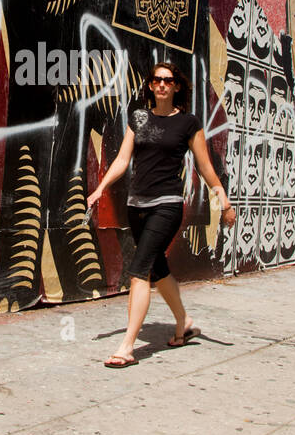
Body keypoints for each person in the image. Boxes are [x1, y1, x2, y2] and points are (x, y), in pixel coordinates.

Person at [88, 61, 235, 368]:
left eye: (168, 80)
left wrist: (223, 197)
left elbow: (206, 166)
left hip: (167, 205)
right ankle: (183, 321)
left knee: (139, 270)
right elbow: (122, 159)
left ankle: (127, 347)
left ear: (176, 86)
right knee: (157, 267)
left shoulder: (188, 123)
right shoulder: (138, 118)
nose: (163, 85)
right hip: (136, 205)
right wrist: (101, 187)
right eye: (157, 80)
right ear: (151, 85)